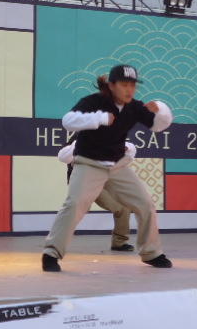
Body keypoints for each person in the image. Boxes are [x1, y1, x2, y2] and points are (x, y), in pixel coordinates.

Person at [42, 64, 173, 272]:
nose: (129, 90)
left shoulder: (134, 107)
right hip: (89, 163)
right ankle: (51, 254)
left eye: (133, 85)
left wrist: (159, 110)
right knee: (74, 205)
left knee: (145, 204)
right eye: (124, 85)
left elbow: (158, 126)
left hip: (117, 166)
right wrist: (99, 118)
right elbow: (67, 121)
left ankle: (152, 253)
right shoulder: (94, 101)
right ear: (112, 85)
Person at [58, 138, 135, 252]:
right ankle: (56, 241)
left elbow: (130, 151)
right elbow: (63, 156)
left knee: (123, 208)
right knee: (74, 211)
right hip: (84, 181)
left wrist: (126, 147)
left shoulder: (112, 135)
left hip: (105, 180)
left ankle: (119, 242)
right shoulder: (81, 135)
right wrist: (80, 143)